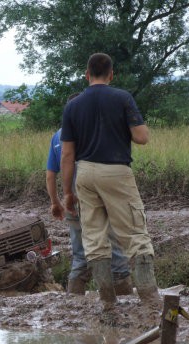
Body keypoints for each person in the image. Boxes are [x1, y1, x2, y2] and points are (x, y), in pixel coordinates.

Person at [60, 53, 160, 310]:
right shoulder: (122, 98)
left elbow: (67, 154)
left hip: (85, 173)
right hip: (116, 171)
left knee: (93, 237)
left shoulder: (73, 106)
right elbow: (141, 138)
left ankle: (107, 300)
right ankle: (149, 298)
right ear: (111, 74)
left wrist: (67, 193)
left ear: (87, 74)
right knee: (136, 233)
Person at [46, 98, 132, 296]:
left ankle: (74, 297)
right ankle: (121, 294)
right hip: (97, 199)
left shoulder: (57, 136)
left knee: (79, 251)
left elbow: (51, 175)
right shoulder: (93, 131)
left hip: (72, 203)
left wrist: (55, 202)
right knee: (112, 243)